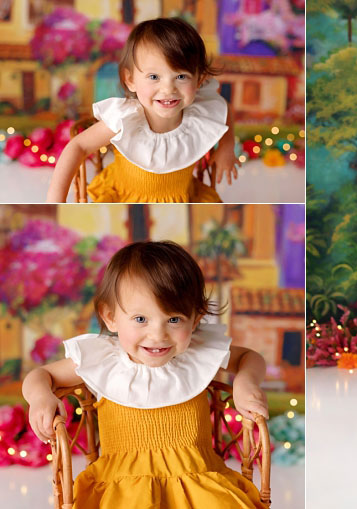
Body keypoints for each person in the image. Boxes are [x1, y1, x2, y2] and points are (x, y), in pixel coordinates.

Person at [22, 241, 268, 508]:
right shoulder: (104, 360)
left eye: (174, 319)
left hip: (200, 485)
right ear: (110, 317)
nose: (158, 335)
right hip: (124, 490)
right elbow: (41, 374)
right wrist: (40, 397)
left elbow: (249, 357)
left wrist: (245, 380)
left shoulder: (197, 353)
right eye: (141, 319)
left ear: (195, 320)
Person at [46, 17, 240, 203]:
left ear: (199, 80)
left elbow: (224, 110)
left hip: (182, 197)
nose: (168, 89)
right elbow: (78, 146)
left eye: (181, 77)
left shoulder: (199, 112)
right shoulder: (126, 119)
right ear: (131, 80)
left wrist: (226, 147)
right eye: (154, 77)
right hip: (125, 196)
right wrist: (56, 199)